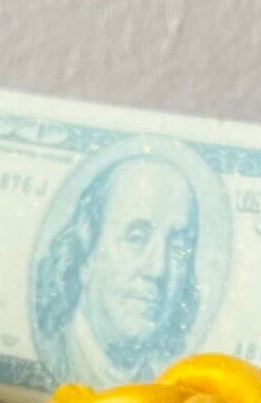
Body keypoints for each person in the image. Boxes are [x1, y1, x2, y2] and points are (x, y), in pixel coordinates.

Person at [33, 155, 204, 385]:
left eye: (179, 248)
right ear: (85, 256)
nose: (158, 270)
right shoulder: (51, 354)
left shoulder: (168, 387)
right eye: (136, 238)